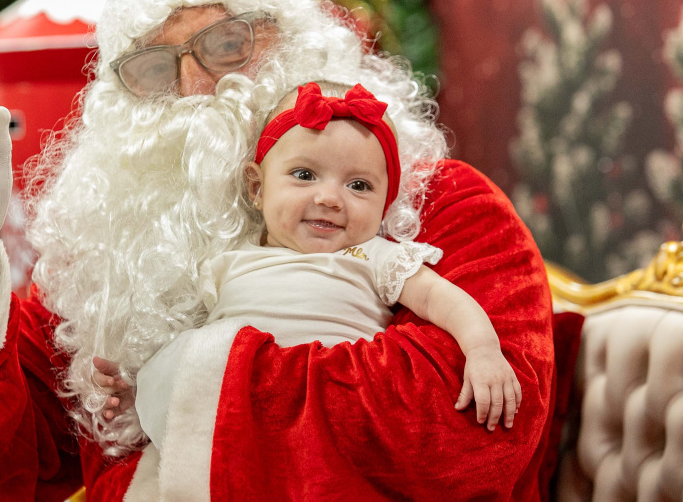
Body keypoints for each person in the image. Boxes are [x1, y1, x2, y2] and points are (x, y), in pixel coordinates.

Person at [0, 0, 555, 499]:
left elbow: (469, 435)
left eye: (225, 45)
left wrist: (182, 378)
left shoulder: (437, 204)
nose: (194, 88)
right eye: (154, 68)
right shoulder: (112, 253)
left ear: (296, 42)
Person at [96, 82, 523, 442]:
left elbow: (444, 300)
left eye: (358, 185)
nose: (329, 198)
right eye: (304, 175)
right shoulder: (231, 261)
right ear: (257, 188)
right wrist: (141, 396)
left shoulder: (371, 255)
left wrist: (483, 351)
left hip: (329, 414)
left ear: (385, 204)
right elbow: (195, 366)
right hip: (236, 420)